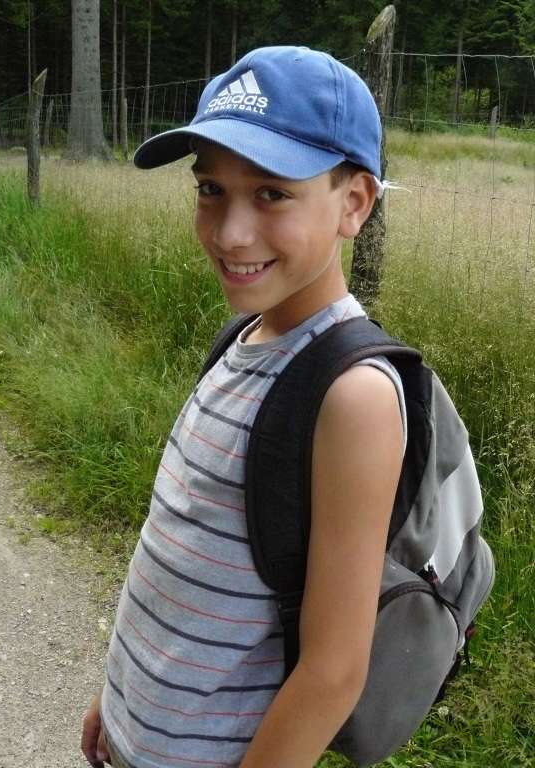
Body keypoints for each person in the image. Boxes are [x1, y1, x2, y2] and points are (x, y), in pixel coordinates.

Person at [81, 45, 405, 768]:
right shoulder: (243, 336)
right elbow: (174, 555)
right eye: (211, 189)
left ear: (354, 203)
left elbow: (334, 671)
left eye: (272, 194)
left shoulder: (352, 395)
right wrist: (119, 693)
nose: (230, 233)